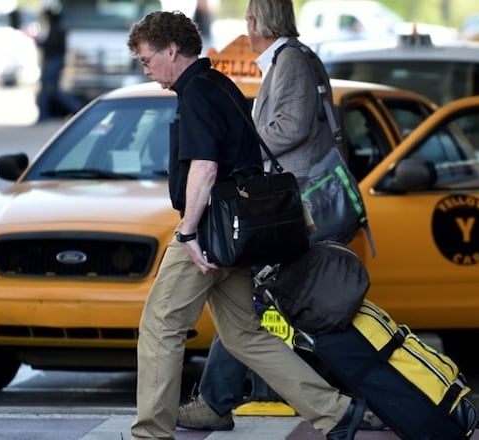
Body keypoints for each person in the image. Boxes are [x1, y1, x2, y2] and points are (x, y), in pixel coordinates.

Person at [126, 10, 365, 440]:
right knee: (244, 335)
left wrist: (188, 233)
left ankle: (151, 434)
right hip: (238, 235)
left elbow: (204, 168)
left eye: (147, 59)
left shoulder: (195, 93)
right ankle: (335, 411)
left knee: (160, 326)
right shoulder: (220, 85)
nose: (146, 69)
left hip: (208, 234)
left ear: (171, 50)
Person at [35, 7, 82, 123]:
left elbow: (52, 45)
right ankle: (77, 107)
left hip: (53, 61)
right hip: (54, 61)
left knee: (47, 89)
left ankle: (76, 106)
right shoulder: (55, 27)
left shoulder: (56, 28)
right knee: (51, 89)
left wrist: (40, 43)